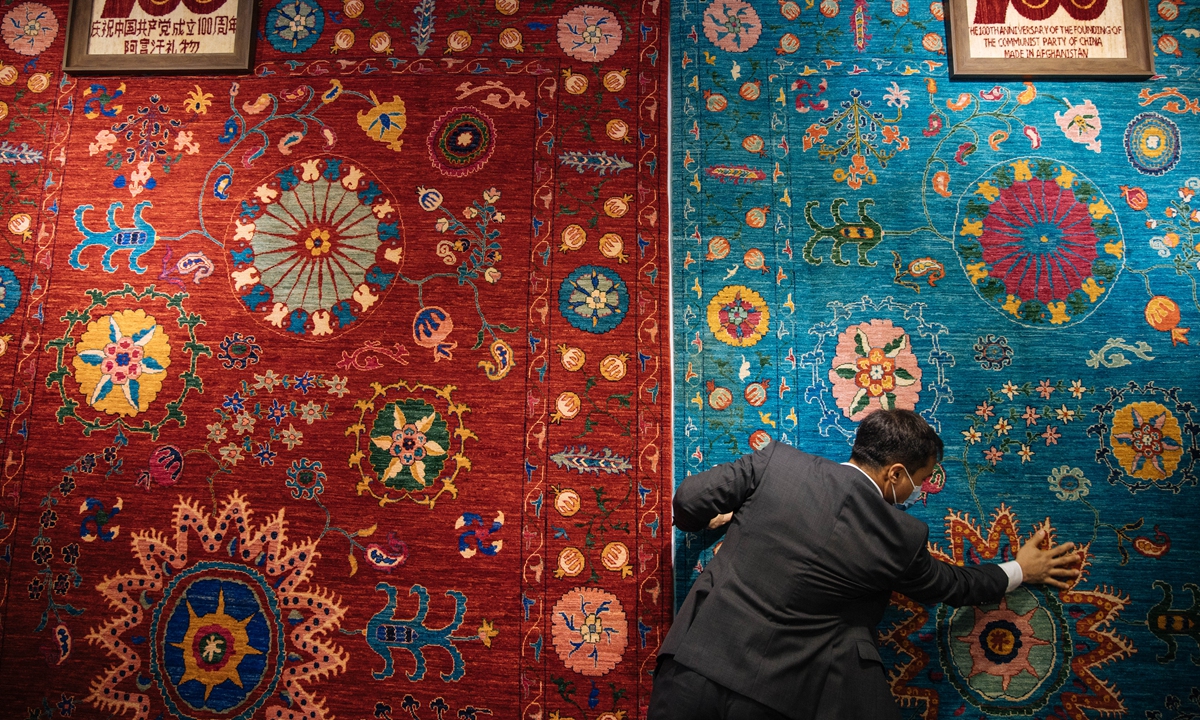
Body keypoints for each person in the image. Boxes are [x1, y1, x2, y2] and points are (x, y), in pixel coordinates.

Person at [649, 409, 1080, 720]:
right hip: (779, 697)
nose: (919, 492)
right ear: (895, 474)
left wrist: (714, 517)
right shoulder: (901, 537)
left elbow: (688, 499)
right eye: (921, 480)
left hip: (693, 667)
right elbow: (951, 585)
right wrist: (1021, 569)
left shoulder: (775, 463)